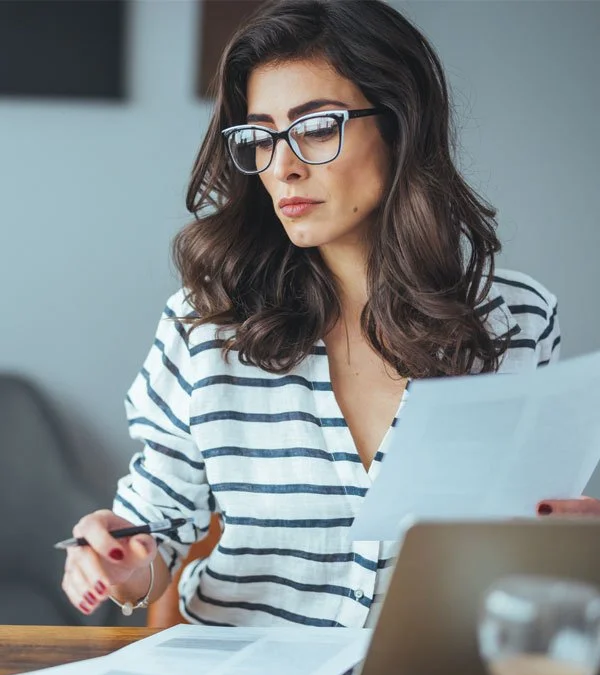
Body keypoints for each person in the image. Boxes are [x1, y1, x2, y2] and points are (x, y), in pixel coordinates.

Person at [60, 0, 598, 625]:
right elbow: (153, 534)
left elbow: (525, 543)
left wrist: (568, 542)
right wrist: (121, 566)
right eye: (260, 137)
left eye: (317, 128)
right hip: (240, 673)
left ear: (399, 125)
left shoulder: (517, 319)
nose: (283, 167)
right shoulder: (205, 323)